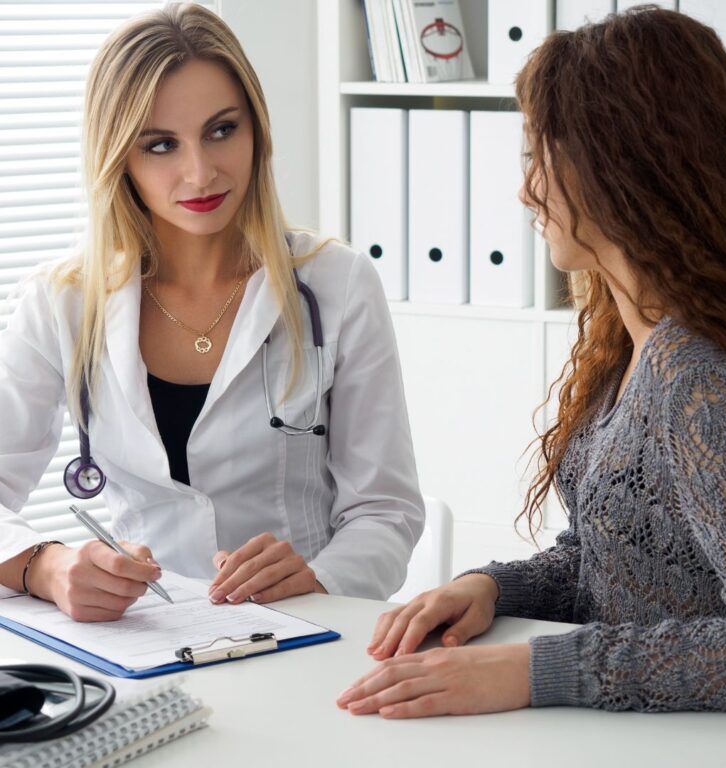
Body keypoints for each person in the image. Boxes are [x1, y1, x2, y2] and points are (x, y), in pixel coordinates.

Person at [337, 5, 726, 716]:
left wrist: (535, 671)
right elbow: (618, 555)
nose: (524, 189)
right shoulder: (630, 340)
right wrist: (494, 588)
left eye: (541, 157)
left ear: (621, 168)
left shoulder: (697, 377)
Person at [0, 3, 424, 621]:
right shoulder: (62, 302)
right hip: (141, 635)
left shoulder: (336, 285)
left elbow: (385, 513)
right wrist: (47, 565)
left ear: (257, 130)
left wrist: (320, 577)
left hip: (300, 631)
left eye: (222, 130)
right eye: (161, 144)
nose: (200, 172)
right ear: (119, 158)